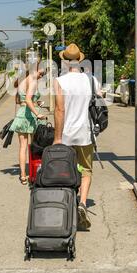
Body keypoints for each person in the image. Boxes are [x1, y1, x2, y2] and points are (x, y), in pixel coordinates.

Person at [53, 43, 100, 230]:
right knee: (86, 170)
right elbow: (100, 99)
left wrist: (57, 137)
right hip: (85, 133)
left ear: (64, 62)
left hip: (66, 135)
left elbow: (59, 109)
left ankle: (67, 204)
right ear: (80, 61)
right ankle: (82, 203)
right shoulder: (91, 80)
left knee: (66, 170)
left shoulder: (60, 82)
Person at [10, 65, 46, 185]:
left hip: (21, 115)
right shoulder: (33, 81)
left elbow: (22, 100)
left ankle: (23, 175)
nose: (41, 76)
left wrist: (37, 102)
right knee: (35, 146)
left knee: (22, 147)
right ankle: (34, 173)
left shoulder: (21, 81)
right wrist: (37, 114)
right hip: (31, 116)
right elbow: (29, 100)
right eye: (41, 73)